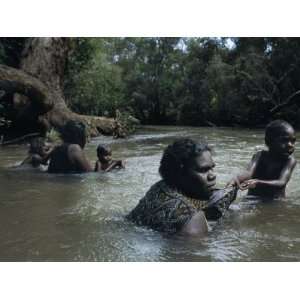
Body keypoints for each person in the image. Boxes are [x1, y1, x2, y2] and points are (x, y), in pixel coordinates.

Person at [127, 138, 237, 236]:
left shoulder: (160, 187)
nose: (213, 175)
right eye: (203, 170)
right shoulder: (192, 221)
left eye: (212, 168)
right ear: (180, 173)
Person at [227, 120, 297, 199]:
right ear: (268, 141)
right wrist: (236, 179)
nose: (290, 145)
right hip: (252, 199)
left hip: (275, 201)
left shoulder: (290, 161)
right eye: (284, 140)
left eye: (293, 141)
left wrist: (258, 182)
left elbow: (282, 182)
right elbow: (248, 173)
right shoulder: (260, 155)